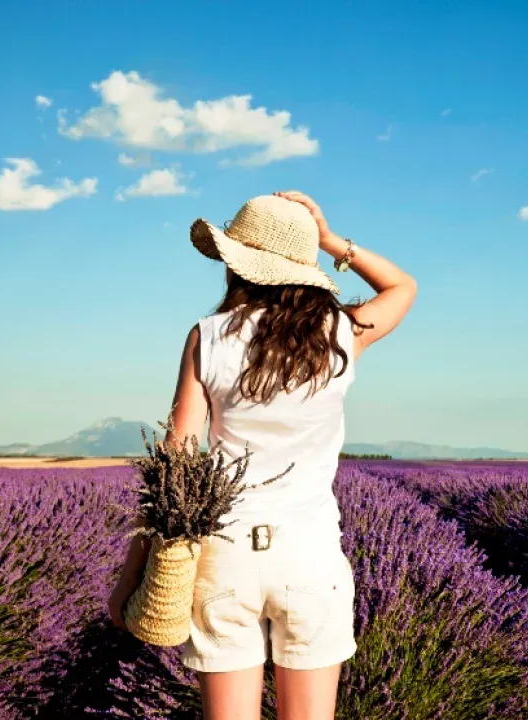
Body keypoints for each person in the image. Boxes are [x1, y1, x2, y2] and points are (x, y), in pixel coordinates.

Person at [107, 190, 417, 720]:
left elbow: (176, 465)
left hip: (225, 557)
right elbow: (401, 286)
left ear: (237, 265)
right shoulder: (340, 333)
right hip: (310, 553)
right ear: (302, 267)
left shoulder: (208, 337)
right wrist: (329, 241)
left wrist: (132, 574)